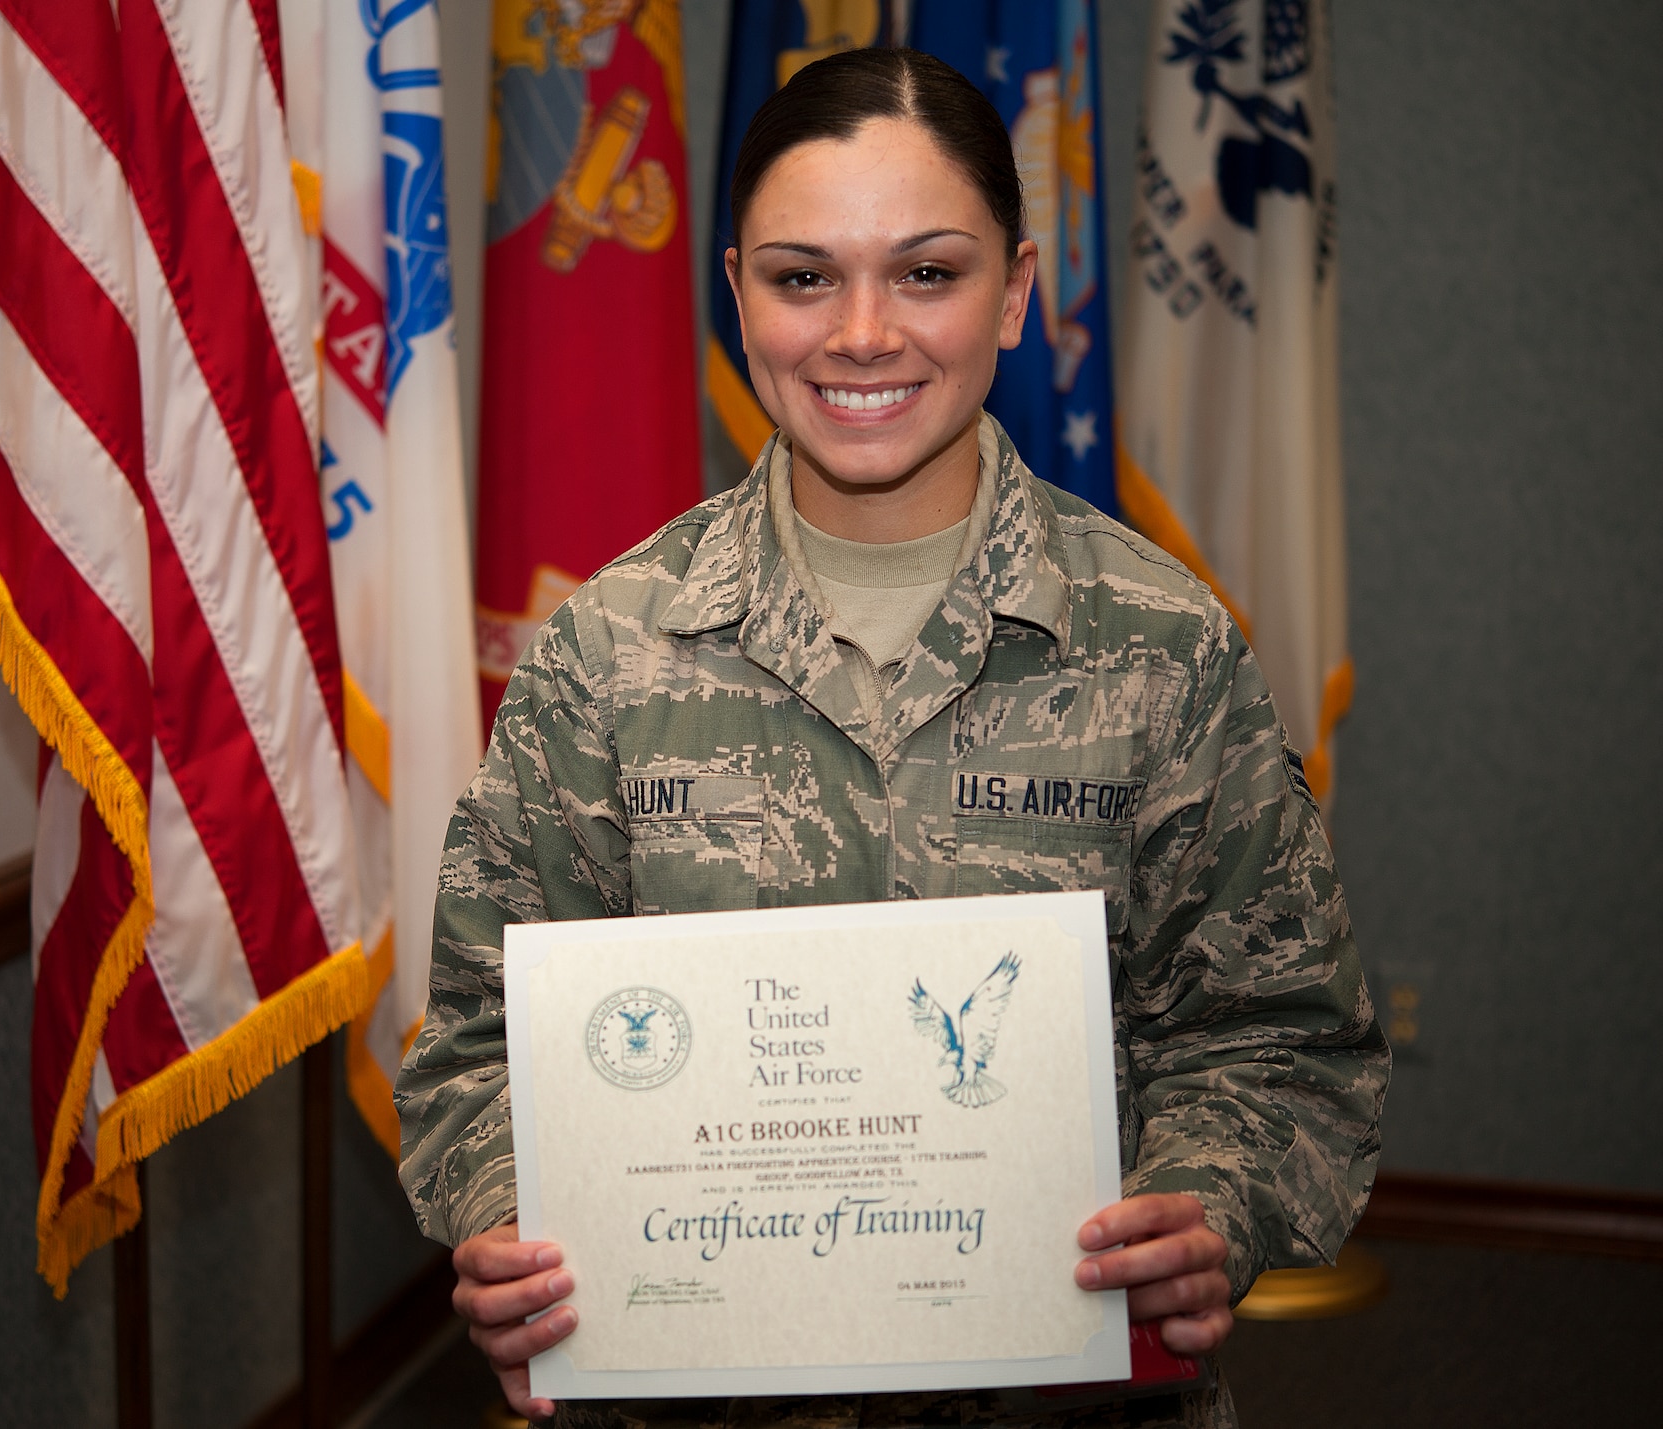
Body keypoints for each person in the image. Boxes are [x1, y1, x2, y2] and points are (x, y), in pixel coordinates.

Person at [395, 47, 1387, 1429]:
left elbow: (1282, 1040)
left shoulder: (1164, 646)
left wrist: (1209, 1207)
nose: (863, 332)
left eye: (928, 271)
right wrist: (519, 1241)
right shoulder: (604, 652)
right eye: (804, 276)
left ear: (1018, 291)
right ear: (736, 288)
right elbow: (479, 1046)